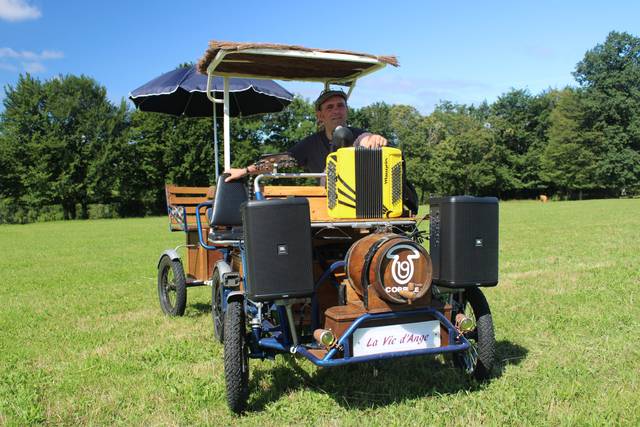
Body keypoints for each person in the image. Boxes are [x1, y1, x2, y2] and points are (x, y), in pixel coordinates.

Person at [223, 89, 388, 181]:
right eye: (329, 107)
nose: (336, 111)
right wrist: (245, 170)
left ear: (347, 110)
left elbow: (366, 139)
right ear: (320, 116)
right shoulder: (310, 144)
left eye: (340, 106)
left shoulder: (358, 135)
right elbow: (280, 161)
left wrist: (374, 139)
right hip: (327, 207)